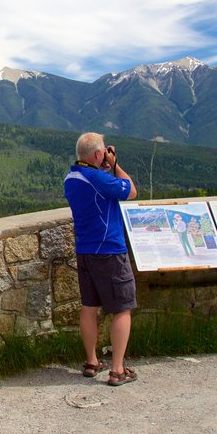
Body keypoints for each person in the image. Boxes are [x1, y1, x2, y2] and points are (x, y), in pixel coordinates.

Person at [64, 132, 139, 387]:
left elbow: (97, 189)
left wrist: (102, 166)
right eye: (102, 153)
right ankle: (117, 369)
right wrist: (115, 165)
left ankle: (92, 361)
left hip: (85, 250)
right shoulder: (98, 178)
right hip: (109, 250)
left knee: (89, 306)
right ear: (97, 154)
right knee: (121, 308)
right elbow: (130, 190)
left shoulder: (72, 177)